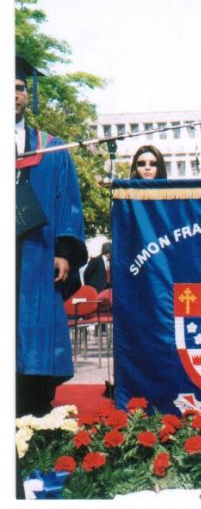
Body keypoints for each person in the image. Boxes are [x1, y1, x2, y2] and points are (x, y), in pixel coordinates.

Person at [15, 56, 87, 418]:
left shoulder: (50, 148)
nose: (13, 95)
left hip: (36, 257)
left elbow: (67, 203)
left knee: (34, 334)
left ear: (28, 96)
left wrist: (64, 250)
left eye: (19, 88)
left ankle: (35, 410)